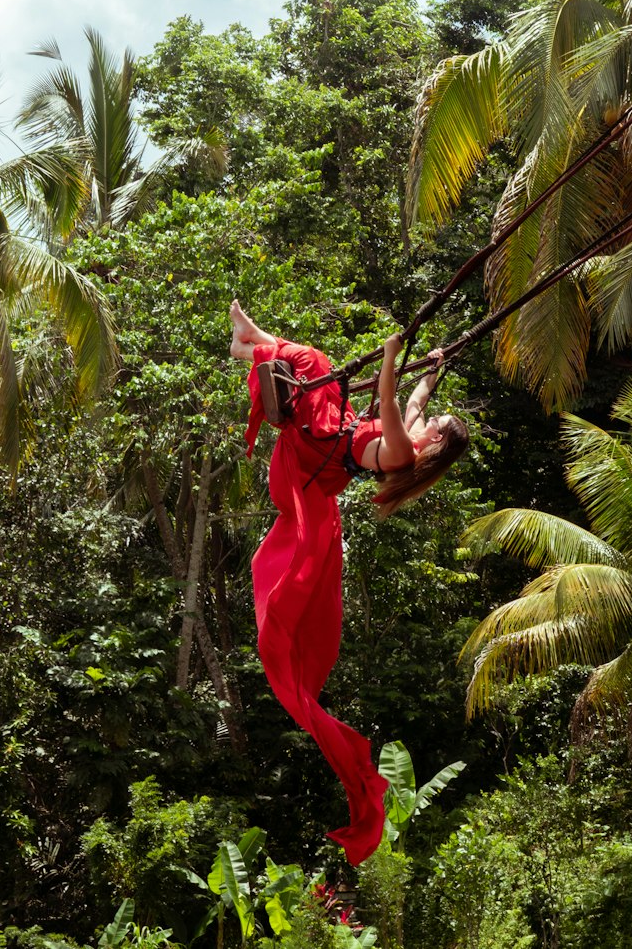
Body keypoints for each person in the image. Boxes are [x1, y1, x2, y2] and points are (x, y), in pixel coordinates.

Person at [230, 300, 468, 865]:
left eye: (434, 426)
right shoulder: (411, 438)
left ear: (433, 443)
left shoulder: (404, 452)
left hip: (319, 455)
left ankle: (249, 342)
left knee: (315, 361)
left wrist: (389, 357)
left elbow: (389, 400)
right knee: (313, 370)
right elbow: (411, 401)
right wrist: (432, 370)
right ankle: (250, 340)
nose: (427, 421)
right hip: (321, 449)